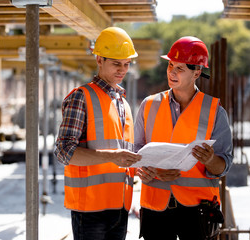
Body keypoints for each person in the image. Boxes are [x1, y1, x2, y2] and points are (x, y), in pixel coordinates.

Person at [134, 36, 233, 240]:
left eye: (180, 68)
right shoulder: (148, 105)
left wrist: (210, 160)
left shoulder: (215, 111)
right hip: (156, 208)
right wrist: (140, 169)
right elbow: (135, 153)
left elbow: (223, 166)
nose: (172, 72)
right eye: (171, 65)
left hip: (197, 211)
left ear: (197, 72)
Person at [54, 27, 141, 240]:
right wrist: (111, 157)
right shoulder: (81, 97)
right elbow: (64, 151)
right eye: (116, 63)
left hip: (120, 207)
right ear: (99, 59)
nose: (122, 70)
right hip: (90, 209)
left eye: (127, 64)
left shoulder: (123, 104)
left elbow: (123, 156)